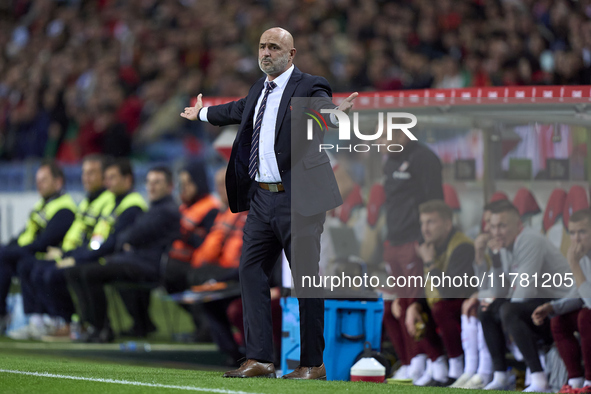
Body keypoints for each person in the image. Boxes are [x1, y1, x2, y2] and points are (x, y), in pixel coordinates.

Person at [181, 27, 357, 379]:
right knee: (250, 271)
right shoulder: (258, 89)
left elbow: (321, 112)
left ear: (290, 55)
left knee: (305, 280)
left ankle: (312, 363)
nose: (266, 52)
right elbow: (235, 110)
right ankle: (259, 358)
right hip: (262, 199)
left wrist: (336, 115)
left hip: (299, 199)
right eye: (262, 46)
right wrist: (202, 113)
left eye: (274, 47)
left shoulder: (309, 85)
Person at [65, 166, 180, 342]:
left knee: (90, 272)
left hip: (152, 266)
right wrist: (127, 240)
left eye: (157, 183)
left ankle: (101, 329)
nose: (151, 187)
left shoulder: (166, 210)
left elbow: (132, 235)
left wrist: (128, 241)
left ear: (170, 186)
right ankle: (95, 325)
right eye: (149, 182)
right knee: (81, 270)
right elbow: (128, 236)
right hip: (137, 261)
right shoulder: (155, 208)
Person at [8, 155, 113, 340]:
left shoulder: (107, 202)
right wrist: (64, 253)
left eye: (91, 173)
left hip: (91, 257)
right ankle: (43, 320)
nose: (85, 178)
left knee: (48, 272)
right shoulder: (86, 202)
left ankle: (69, 322)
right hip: (71, 254)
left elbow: (98, 239)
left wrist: (72, 257)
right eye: (84, 173)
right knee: (29, 265)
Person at [477, 200, 571, 392]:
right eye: (493, 226)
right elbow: (497, 292)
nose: (496, 232)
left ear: (518, 224)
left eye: (502, 226)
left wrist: (500, 308)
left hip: (562, 305)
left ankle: (538, 378)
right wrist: (494, 260)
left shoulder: (529, 240)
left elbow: (524, 292)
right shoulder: (504, 245)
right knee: (485, 310)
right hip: (536, 304)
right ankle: (501, 375)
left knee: (508, 310)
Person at [380, 126, 444, 383]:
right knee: (393, 306)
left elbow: (434, 202)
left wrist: (426, 239)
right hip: (393, 241)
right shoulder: (389, 162)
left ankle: (431, 358)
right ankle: (409, 359)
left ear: (403, 134)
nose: (382, 141)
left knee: (413, 304)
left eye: (386, 136)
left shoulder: (424, 159)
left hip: (414, 241)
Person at [61, 158, 148, 340]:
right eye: (107, 178)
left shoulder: (132, 205)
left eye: (113, 177)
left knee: (86, 272)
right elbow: (100, 239)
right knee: (75, 271)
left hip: (128, 260)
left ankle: (102, 327)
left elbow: (114, 242)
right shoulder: (113, 202)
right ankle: (92, 324)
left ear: (128, 180)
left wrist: (82, 257)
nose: (108, 182)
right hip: (110, 256)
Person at [0, 161, 77, 336]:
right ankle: (9, 315)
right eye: (37, 180)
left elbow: (45, 241)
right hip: (32, 254)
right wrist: (9, 247)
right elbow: (25, 233)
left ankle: (39, 320)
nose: (38, 184)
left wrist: (14, 251)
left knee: (24, 264)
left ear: (58, 182)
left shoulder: (65, 208)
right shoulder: (43, 205)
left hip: (47, 256)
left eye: (44, 180)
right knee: (5, 258)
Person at [404, 200, 476, 386]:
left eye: (431, 222)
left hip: (468, 303)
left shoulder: (463, 246)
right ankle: (437, 365)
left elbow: (449, 291)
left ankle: (456, 366)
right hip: (446, 301)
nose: (425, 229)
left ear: (447, 224)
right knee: (409, 308)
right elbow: (427, 286)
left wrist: (429, 262)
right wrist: (415, 305)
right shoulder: (430, 244)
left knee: (440, 307)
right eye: (422, 223)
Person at [531, 209, 591, 393]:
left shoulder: (578, 259)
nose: (576, 238)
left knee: (585, 316)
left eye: (582, 231)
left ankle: (589, 382)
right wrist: (552, 307)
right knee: (558, 320)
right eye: (572, 232)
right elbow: (578, 292)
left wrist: (573, 265)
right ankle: (575, 382)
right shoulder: (584, 256)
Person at [450, 201, 498, 389]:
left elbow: (506, 283)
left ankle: (485, 373)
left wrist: (479, 294)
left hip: (514, 298)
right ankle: (471, 370)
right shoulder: (488, 245)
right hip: (494, 295)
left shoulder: (510, 243)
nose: (487, 228)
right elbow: (484, 282)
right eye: (486, 222)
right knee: (470, 307)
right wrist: (479, 254)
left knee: (481, 306)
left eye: (492, 223)